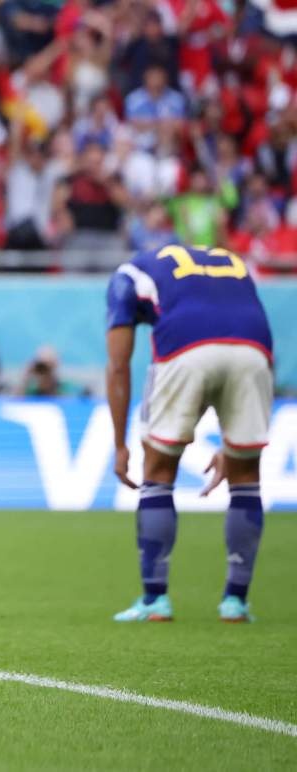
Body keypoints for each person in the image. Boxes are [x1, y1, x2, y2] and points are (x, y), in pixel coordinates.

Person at [106, 243, 273, 623]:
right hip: (254, 349)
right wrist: (233, 445)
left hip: (185, 345)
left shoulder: (129, 273)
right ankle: (235, 601)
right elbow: (247, 324)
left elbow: (118, 366)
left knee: (160, 470)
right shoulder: (229, 259)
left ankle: (154, 599)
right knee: (246, 475)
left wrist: (119, 444)